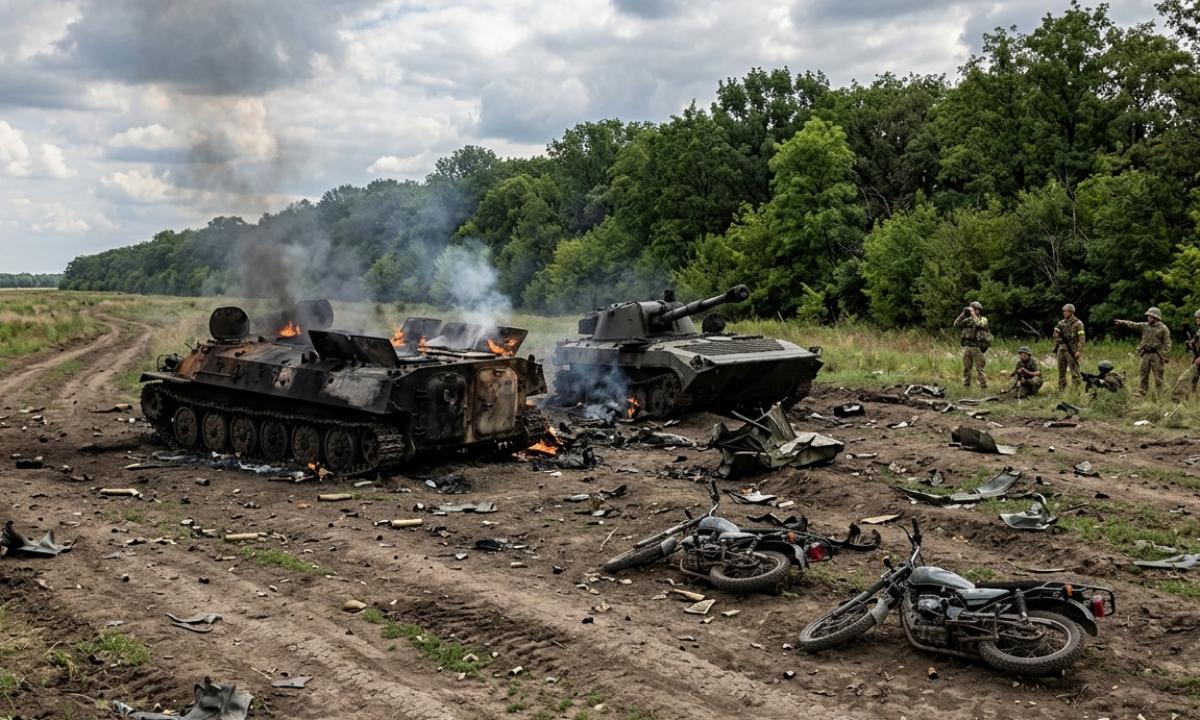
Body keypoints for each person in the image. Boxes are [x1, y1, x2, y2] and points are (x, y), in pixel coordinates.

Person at [1114, 307, 1171, 396]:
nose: (1149, 318)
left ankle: (1160, 395)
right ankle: (1142, 392)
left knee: (1158, 376)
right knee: (1143, 374)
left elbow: (1167, 343)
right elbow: (1133, 324)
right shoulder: (1145, 326)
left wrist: (1164, 356)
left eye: (1151, 316)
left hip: (1157, 355)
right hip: (1145, 354)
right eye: (1148, 316)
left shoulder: (1163, 328)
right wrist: (1122, 322)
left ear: (1156, 317)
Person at [953, 301, 989, 388]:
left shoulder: (983, 319)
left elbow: (980, 324)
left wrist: (973, 315)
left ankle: (983, 387)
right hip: (968, 347)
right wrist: (963, 314)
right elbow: (956, 324)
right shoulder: (967, 320)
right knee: (967, 368)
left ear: (978, 311)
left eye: (972, 309)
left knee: (980, 369)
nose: (970, 310)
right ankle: (966, 386)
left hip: (977, 347)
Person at [1052, 303, 1086, 390]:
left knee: (1075, 372)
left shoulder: (1078, 323)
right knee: (1061, 372)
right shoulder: (1061, 323)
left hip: (1072, 350)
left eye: (1065, 311)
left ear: (1071, 312)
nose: (1064, 313)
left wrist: (1079, 350)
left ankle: (1076, 392)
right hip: (1061, 349)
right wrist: (1060, 341)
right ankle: (1062, 390)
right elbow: (1055, 334)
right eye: (1063, 311)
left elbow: (1081, 338)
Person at [1172, 309, 1200, 399]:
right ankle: (1186, 400)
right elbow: (1196, 342)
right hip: (1197, 360)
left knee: (1185, 378)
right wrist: (1191, 343)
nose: (1197, 320)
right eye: (1197, 318)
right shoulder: (1199, 331)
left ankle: (1179, 398)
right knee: (1189, 379)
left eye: (1199, 318)